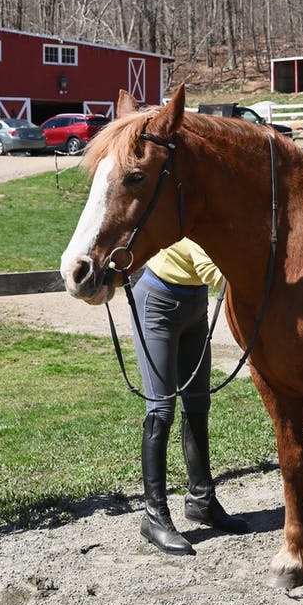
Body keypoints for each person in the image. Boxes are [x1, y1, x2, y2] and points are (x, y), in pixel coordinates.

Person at [130, 237, 249, 556]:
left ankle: (201, 499)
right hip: (157, 303)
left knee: (198, 403)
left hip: (195, 304)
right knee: (160, 409)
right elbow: (218, 273)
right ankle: (153, 516)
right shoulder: (193, 222)